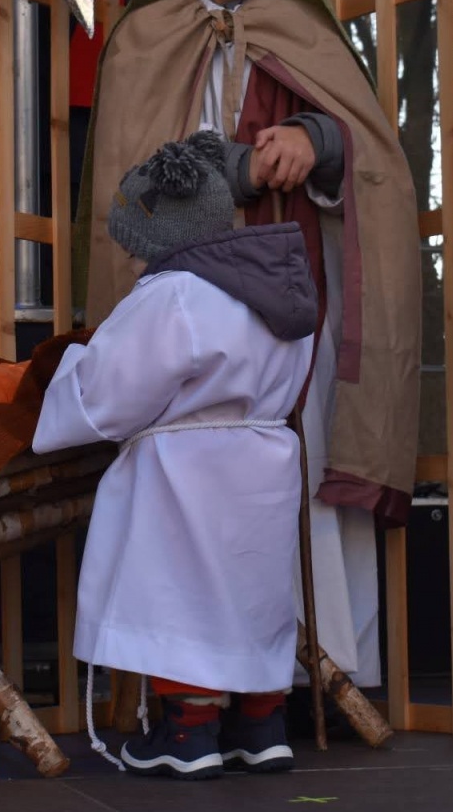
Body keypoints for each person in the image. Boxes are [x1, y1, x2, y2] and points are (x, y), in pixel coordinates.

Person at [81, 0, 421, 695]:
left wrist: (317, 139)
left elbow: (369, 156)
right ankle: (193, 685)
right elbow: (128, 188)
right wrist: (231, 167)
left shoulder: (310, 36)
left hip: (286, 293)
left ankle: (317, 669)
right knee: (188, 468)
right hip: (182, 303)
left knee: (295, 465)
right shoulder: (143, 38)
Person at [34, 132, 316, 778]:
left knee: (180, 594)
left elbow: (109, 395)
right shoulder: (280, 293)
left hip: (187, 466)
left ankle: (187, 736)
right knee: (252, 594)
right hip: (264, 457)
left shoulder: (174, 295)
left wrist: (69, 371)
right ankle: (261, 724)